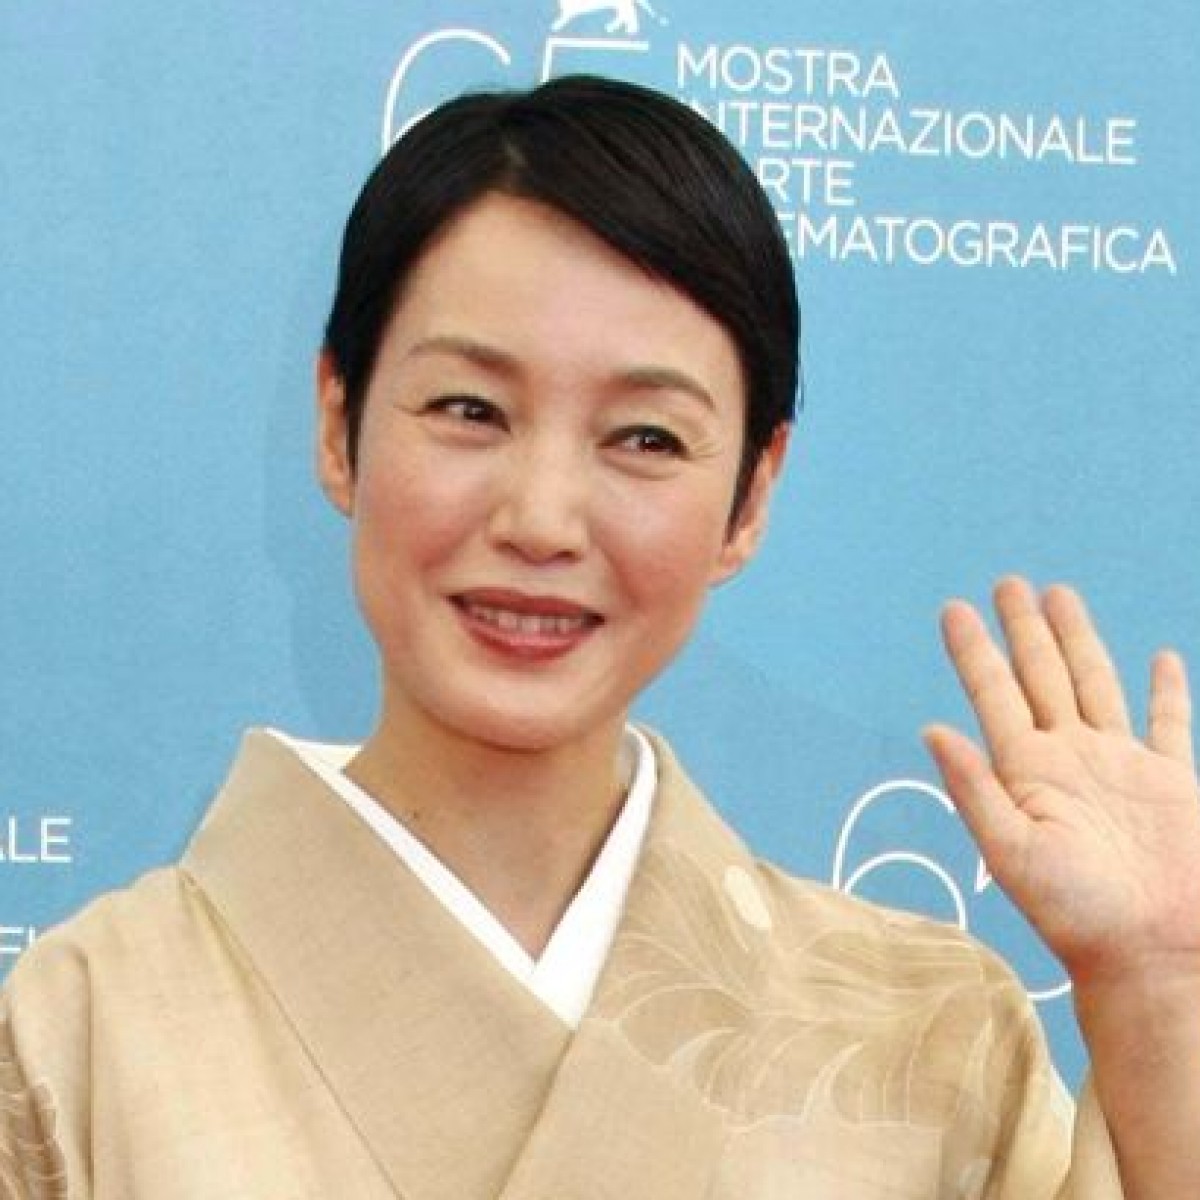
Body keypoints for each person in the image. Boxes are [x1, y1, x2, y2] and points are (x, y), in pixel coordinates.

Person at [2, 74, 1197, 1199]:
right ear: (337, 423)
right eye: (470, 410)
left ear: (752, 494)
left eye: (645, 439)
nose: (540, 519)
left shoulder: (930, 1040)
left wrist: (1159, 990)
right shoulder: (83, 1029)